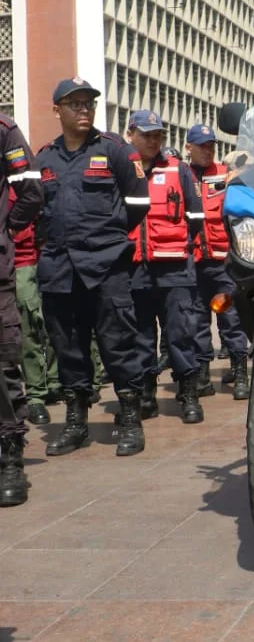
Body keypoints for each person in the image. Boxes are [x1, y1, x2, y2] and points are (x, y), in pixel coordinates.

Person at [35, 78, 148, 458]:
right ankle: (76, 423)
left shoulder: (115, 149)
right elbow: (38, 216)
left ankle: (130, 420)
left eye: (88, 103)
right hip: (60, 268)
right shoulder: (44, 158)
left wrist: (107, 237)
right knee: (68, 348)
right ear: (58, 110)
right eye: (74, 103)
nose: (84, 109)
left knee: (118, 343)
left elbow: (137, 204)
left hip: (106, 265)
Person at [127, 111, 205, 423]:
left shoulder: (178, 170)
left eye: (157, 134)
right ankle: (146, 394)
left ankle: (188, 393)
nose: (152, 139)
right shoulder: (123, 169)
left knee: (181, 333)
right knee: (141, 336)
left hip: (175, 267)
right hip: (135, 268)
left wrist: (177, 245)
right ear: (131, 133)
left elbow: (196, 217)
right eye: (145, 134)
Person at [185, 123, 250, 400]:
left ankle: (240, 371)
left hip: (224, 260)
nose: (207, 151)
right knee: (197, 320)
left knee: (230, 317)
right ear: (189, 148)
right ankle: (202, 374)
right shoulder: (180, 175)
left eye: (211, 145)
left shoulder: (225, 175)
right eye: (201, 146)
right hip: (193, 260)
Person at [0, 115, 43, 506]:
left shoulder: (3, 129)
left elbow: (31, 191)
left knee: (2, 362)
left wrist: (6, 229)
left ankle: (10, 457)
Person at [11, 189, 61, 427]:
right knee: (23, 330)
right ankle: (32, 394)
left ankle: (43, 389)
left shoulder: (24, 181)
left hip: (32, 260)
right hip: (16, 263)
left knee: (40, 326)